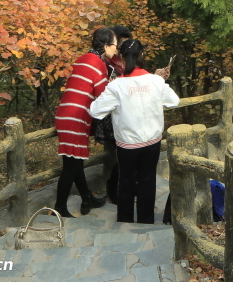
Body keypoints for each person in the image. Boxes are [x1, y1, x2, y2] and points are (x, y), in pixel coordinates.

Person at [90, 39, 177, 224]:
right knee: (147, 181)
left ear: (121, 57)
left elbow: (95, 110)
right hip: (152, 142)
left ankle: (125, 220)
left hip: (127, 145)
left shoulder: (116, 86)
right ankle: (146, 220)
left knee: (126, 182)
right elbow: (173, 101)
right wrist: (159, 81)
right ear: (142, 56)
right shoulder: (155, 81)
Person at [53, 27, 118, 218]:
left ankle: (87, 197)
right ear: (106, 45)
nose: (116, 50)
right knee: (71, 167)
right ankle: (60, 208)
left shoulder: (84, 58)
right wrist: (113, 86)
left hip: (66, 113)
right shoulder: (98, 63)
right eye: (114, 45)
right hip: (76, 117)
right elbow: (102, 95)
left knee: (75, 162)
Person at [98, 26, 133, 203]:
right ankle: (115, 191)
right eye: (119, 42)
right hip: (113, 116)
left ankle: (123, 190)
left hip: (126, 113)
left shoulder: (123, 61)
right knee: (120, 155)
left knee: (124, 155)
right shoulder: (106, 62)